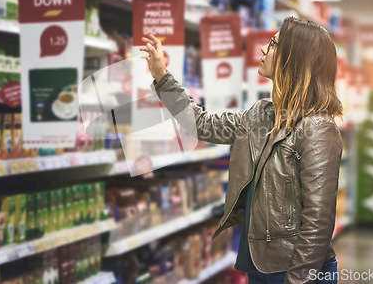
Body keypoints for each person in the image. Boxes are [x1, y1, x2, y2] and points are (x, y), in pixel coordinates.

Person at [140, 16, 343, 284]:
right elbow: (201, 124)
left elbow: (318, 222)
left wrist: (297, 279)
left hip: (296, 269)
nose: (263, 49)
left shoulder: (317, 128)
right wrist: (162, 77)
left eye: (273, 44)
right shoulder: (261, 115)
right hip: (258, 263)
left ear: (293, 58)